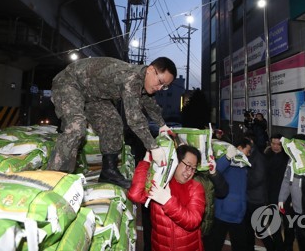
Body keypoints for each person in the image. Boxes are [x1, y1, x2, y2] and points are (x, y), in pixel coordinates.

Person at [47, 56, 176, 189]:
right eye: (160, 82)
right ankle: (52, 179)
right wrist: (153, 146)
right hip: (70, 83)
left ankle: (109, 172)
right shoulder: (131, 78)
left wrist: (162, 125)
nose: (160, 88)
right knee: (76, 126)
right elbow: (135, 118)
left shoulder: (144, 83)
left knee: (113, 123)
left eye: (164, 87)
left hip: (93, 95)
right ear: (150, 70)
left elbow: (150, 104)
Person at [127, 145, 206, 251]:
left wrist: (168, 201)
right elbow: (135, 195)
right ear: (176, 161)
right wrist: (146, 161)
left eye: (193, 169)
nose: (189, 172)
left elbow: (193, 221)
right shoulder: (160, 182)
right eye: (188, 165)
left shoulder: (196, 188)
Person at [206, 138, 252, 251]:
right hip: (222, 213)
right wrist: (227, 157)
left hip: (238, 214)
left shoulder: (244, 164)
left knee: (240, 246)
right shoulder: (227, 160)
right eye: (248, 150)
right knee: (215, 244)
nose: (249, 154)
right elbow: (215, 171)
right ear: (240, 148)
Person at [278, 133, 305, 251]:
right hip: (292, 204)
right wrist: (282, 198)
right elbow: (287, 179)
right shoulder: (292, 159)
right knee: (288, 231)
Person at [193, 155, 229, 249]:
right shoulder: (189, 171)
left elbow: (223, 192)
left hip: (208, 226)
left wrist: (214, 173)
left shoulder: (208, 172)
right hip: (192, 229)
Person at [264, 133, 291, 251]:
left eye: (278, 144)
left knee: (288, 224)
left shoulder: (288, 158)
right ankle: (279, 246)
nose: (275, 146)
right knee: (274, 223)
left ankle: (287, 246)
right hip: (270, 195)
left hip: (285, 197)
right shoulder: (266, 155)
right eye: (273, 144)